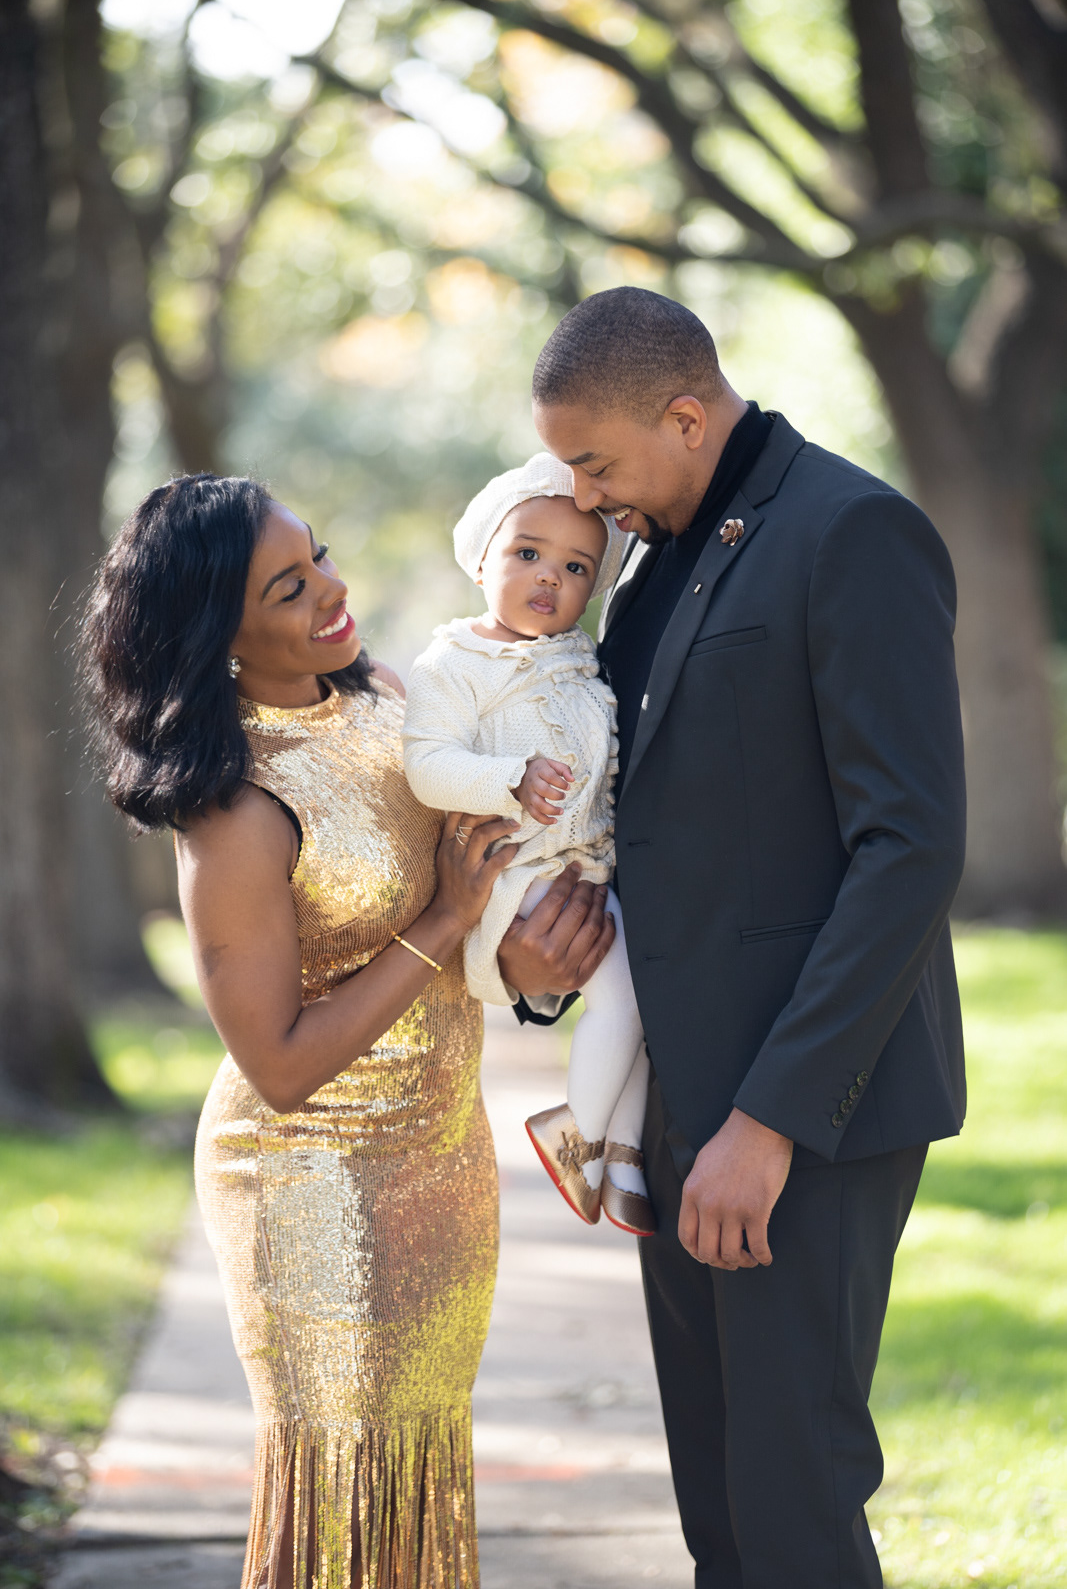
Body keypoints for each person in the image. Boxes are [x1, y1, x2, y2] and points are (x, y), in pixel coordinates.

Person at [79, 473, 615, 1589]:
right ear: (218, 637)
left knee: (417, 1480)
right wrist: (446, 921)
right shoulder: (232, 806)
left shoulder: (387, 699)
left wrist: (526, 964)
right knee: (340, 1498)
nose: (330, 589)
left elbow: (478, 894)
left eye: (316, 554)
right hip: (310, 1177)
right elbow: (277, 1064)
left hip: (443, 1152)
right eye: (287, 588)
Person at [509, 286, 967, 1589]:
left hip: (806, 1112)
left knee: (789, 1503)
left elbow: (908, 848)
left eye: (595, 463)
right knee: (717, 1509)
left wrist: (765, 1125)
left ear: (684, 416)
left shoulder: (853, 531)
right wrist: (540, 967)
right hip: (677, 1105)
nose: (582, 498)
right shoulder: (651, 560)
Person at [402, 452, 654, 1235]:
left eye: (576, 567)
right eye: (526, 553)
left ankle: (622, 1157)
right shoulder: (455, 663)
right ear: (482, 559)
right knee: (623, 998)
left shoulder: (580, 660)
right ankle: (573, 1130)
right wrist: (508, 779)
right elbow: (426, 765)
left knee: (649, 1003)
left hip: (583, 868)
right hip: (519, 872)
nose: (549, 575)